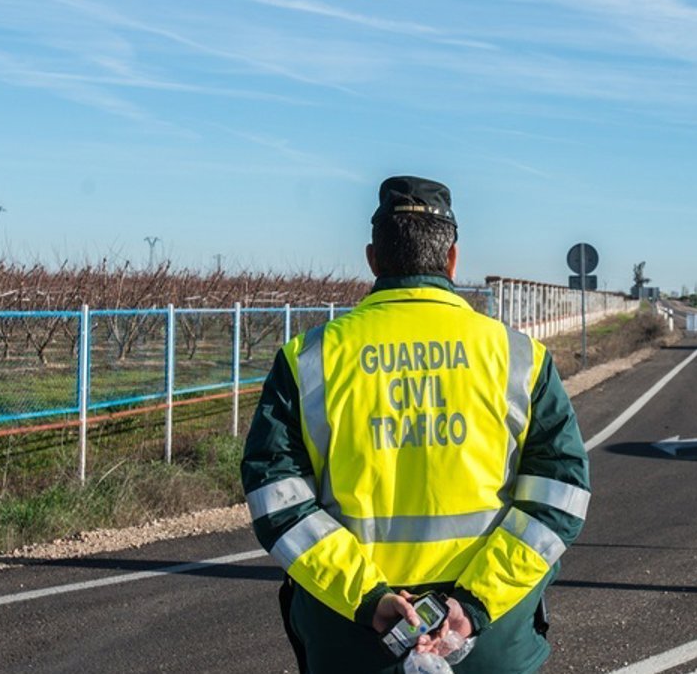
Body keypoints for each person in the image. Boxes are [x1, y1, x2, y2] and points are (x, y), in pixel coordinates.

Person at [241, 175, 591, 673]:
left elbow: (275, 496)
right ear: (452, 260)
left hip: (354, 641)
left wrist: (369, 599)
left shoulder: (308, 360)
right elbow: (560, 496)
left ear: (373, 259)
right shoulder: (520, 359)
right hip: (486, 643)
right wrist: (472, 608)